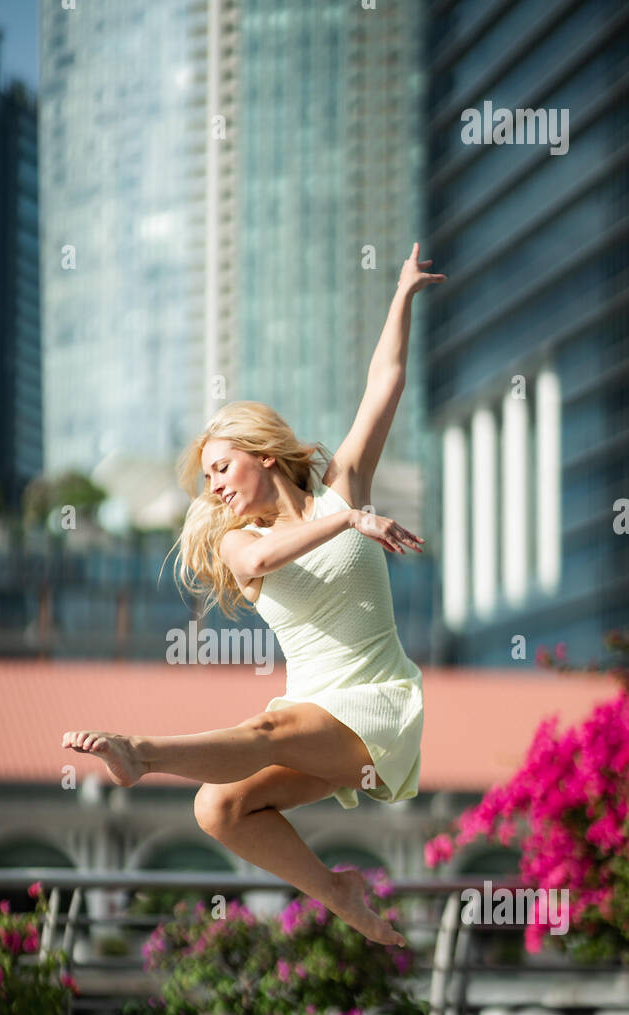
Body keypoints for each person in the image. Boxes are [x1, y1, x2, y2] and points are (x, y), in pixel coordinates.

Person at [62, 244, 446, 947]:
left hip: (378, 708)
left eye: (221, 467)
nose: (214, 487)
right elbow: (270, 551)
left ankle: (142, 753)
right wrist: (352, 520)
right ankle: (340, 892)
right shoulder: (241, 544)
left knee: (267, 734)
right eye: (207, 479)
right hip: (315, 716)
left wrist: (401, 295)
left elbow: (384, 380)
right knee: (219, 810)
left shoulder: (342, 483)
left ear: (263, 453)